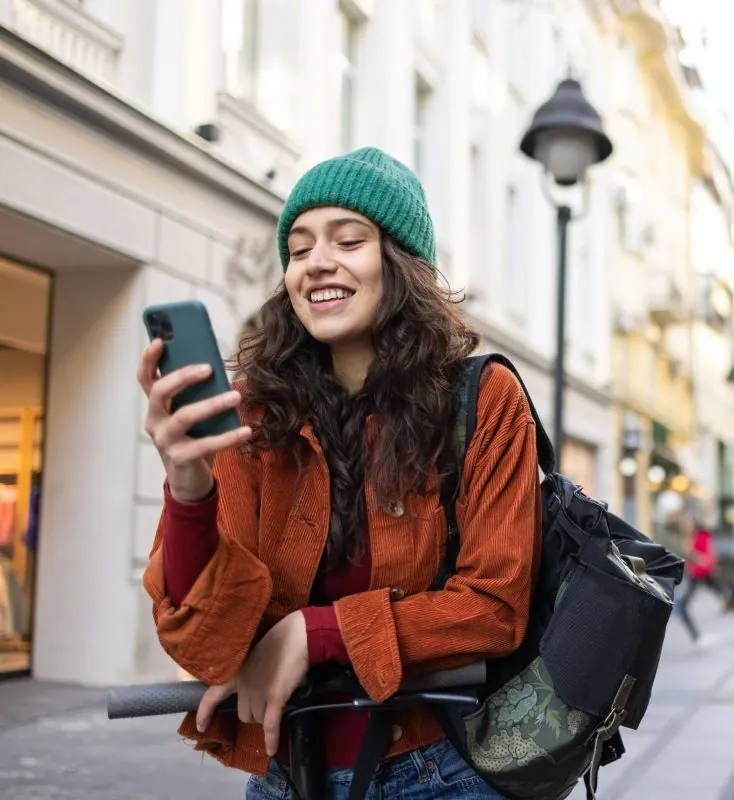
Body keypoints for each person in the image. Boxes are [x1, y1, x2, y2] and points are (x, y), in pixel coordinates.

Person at [138, 146, 541, 799]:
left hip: (440, 769)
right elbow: (206, 644)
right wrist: (188, 488)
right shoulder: (254, 414)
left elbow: (494, 607)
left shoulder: (484, 398)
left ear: (401, 264)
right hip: (285, 772)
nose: (316, 261)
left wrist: (315, 631)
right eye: (297, 250)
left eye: (348, 240)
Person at [676, 521, 726, 646]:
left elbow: (706, 558)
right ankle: (696, 636)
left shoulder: (702, 537)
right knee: (682, 606)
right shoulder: (693, 537)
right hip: (692, 574)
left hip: (697, 574)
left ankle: (696, 637)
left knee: (682, 606)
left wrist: (693, 556)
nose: (685, 526)